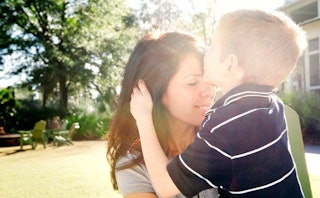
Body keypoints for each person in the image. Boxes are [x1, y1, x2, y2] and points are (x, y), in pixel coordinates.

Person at [130, 9, 307, 198]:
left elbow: (165, 187)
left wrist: (143, 118)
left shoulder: (225, 127)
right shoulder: (273, 106)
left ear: (230, 64)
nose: (206, 54)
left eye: (212, 48)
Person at [107, 32, 218, 198]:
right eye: (192, 82)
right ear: (154, 92)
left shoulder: (222, 142)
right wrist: (144, 121)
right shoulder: (134, 165)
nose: (209, 92)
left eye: (210, 80)